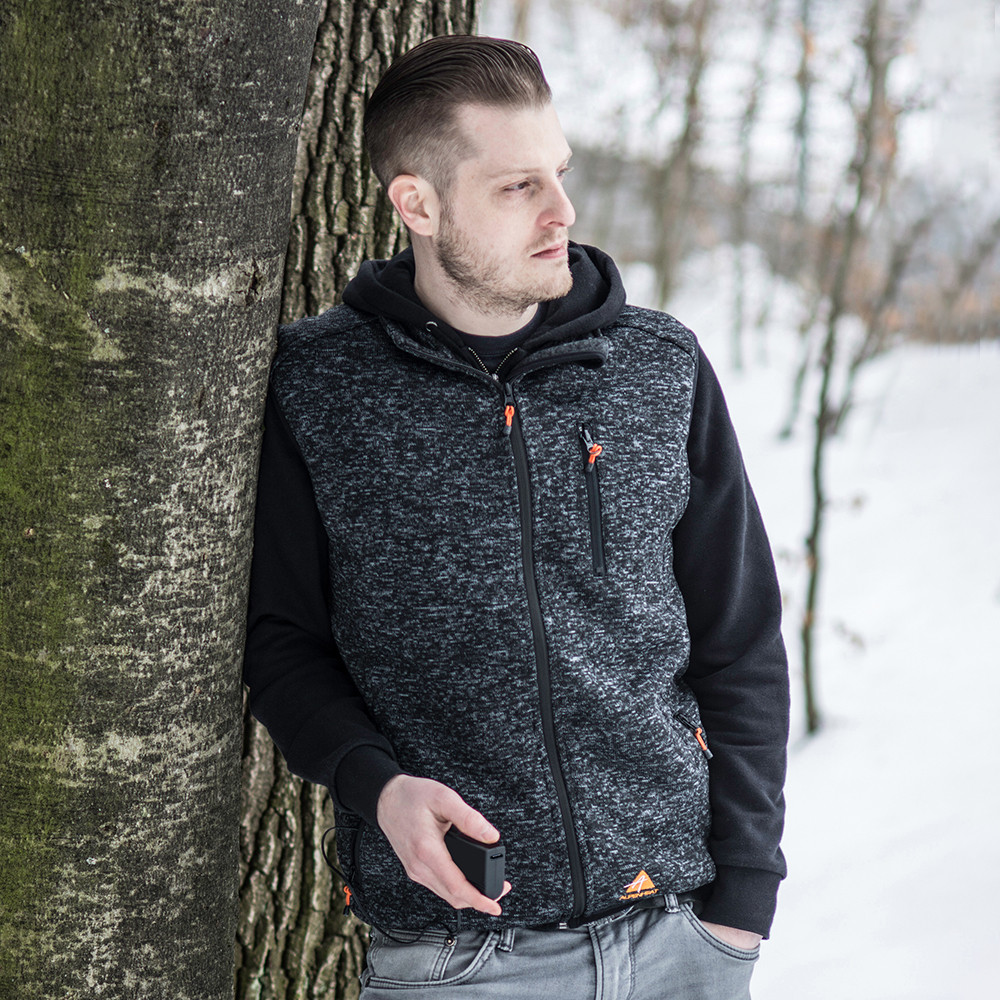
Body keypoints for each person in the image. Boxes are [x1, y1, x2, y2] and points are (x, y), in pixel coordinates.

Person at [243, 34, 788, 1000]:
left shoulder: (658, 368)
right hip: (458, 955)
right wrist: (376, 784)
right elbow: (282, 641)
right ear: (417, 204)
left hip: (680, 935)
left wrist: (743, 897)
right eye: (517, 187)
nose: (561, 212)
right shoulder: (320, 388)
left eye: (559, 174)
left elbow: (739, 639)